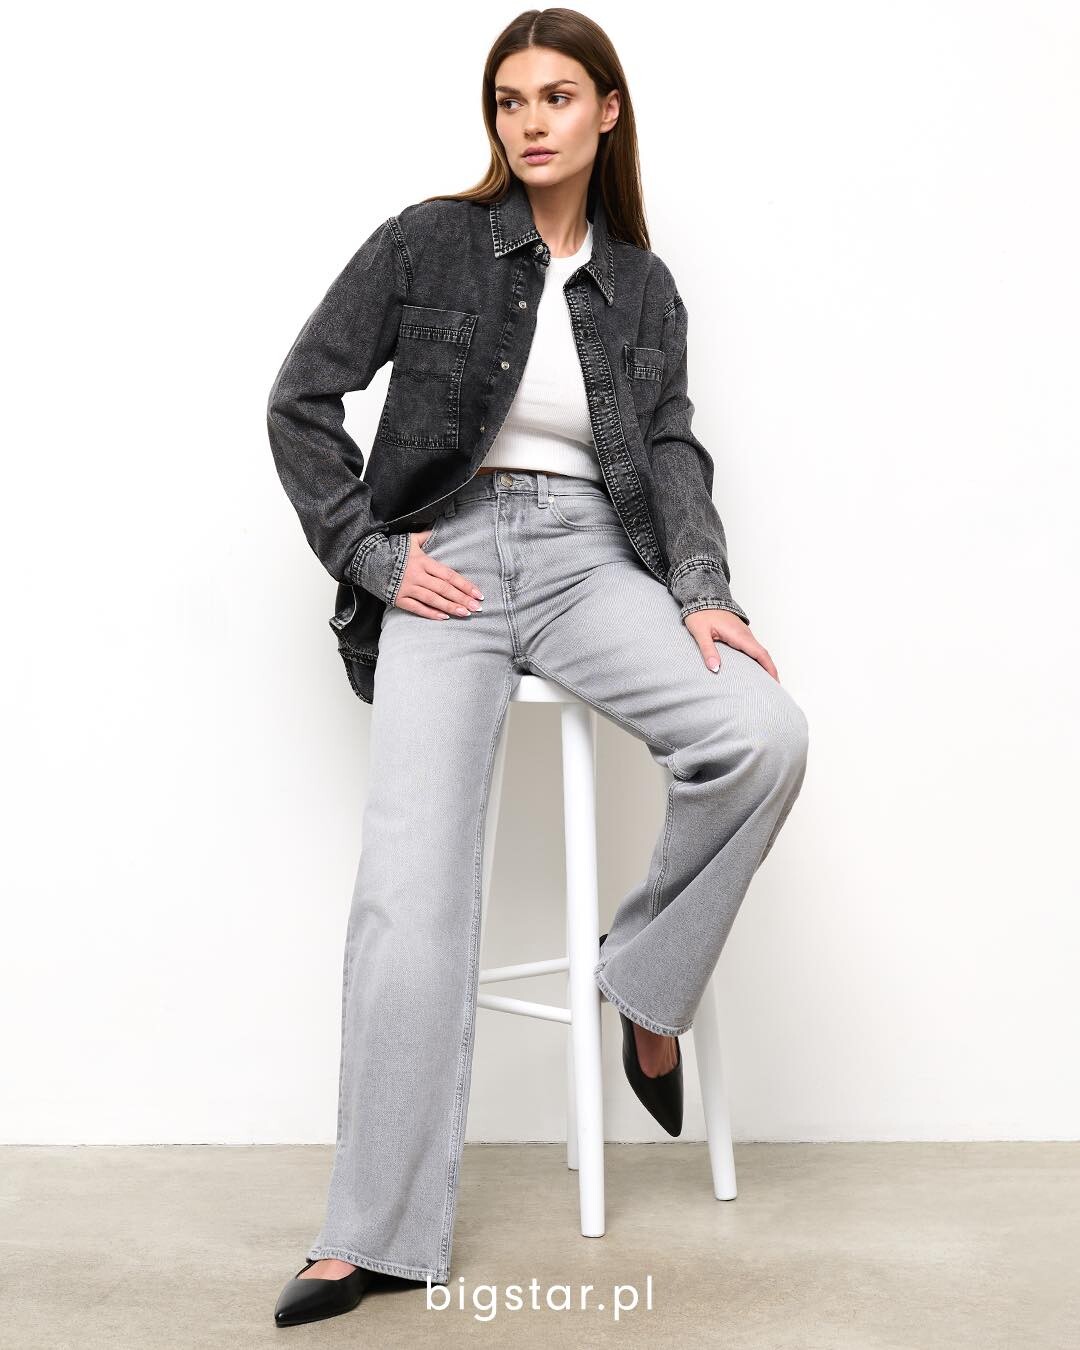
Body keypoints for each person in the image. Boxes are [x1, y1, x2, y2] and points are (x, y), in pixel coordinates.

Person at [266, 9, 809, 1329]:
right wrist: (373, 555)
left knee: (764, 733)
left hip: (587, 561)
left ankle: (645, 982)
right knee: (408, 886)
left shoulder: (643, 286)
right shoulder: (428, 240)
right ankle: (371, 1233)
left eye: (557, 96)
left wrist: (703, 591)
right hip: (446, 562)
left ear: (607, 110)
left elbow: (669, 447)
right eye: (510, 100)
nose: (530, 121)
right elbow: (300, 398)